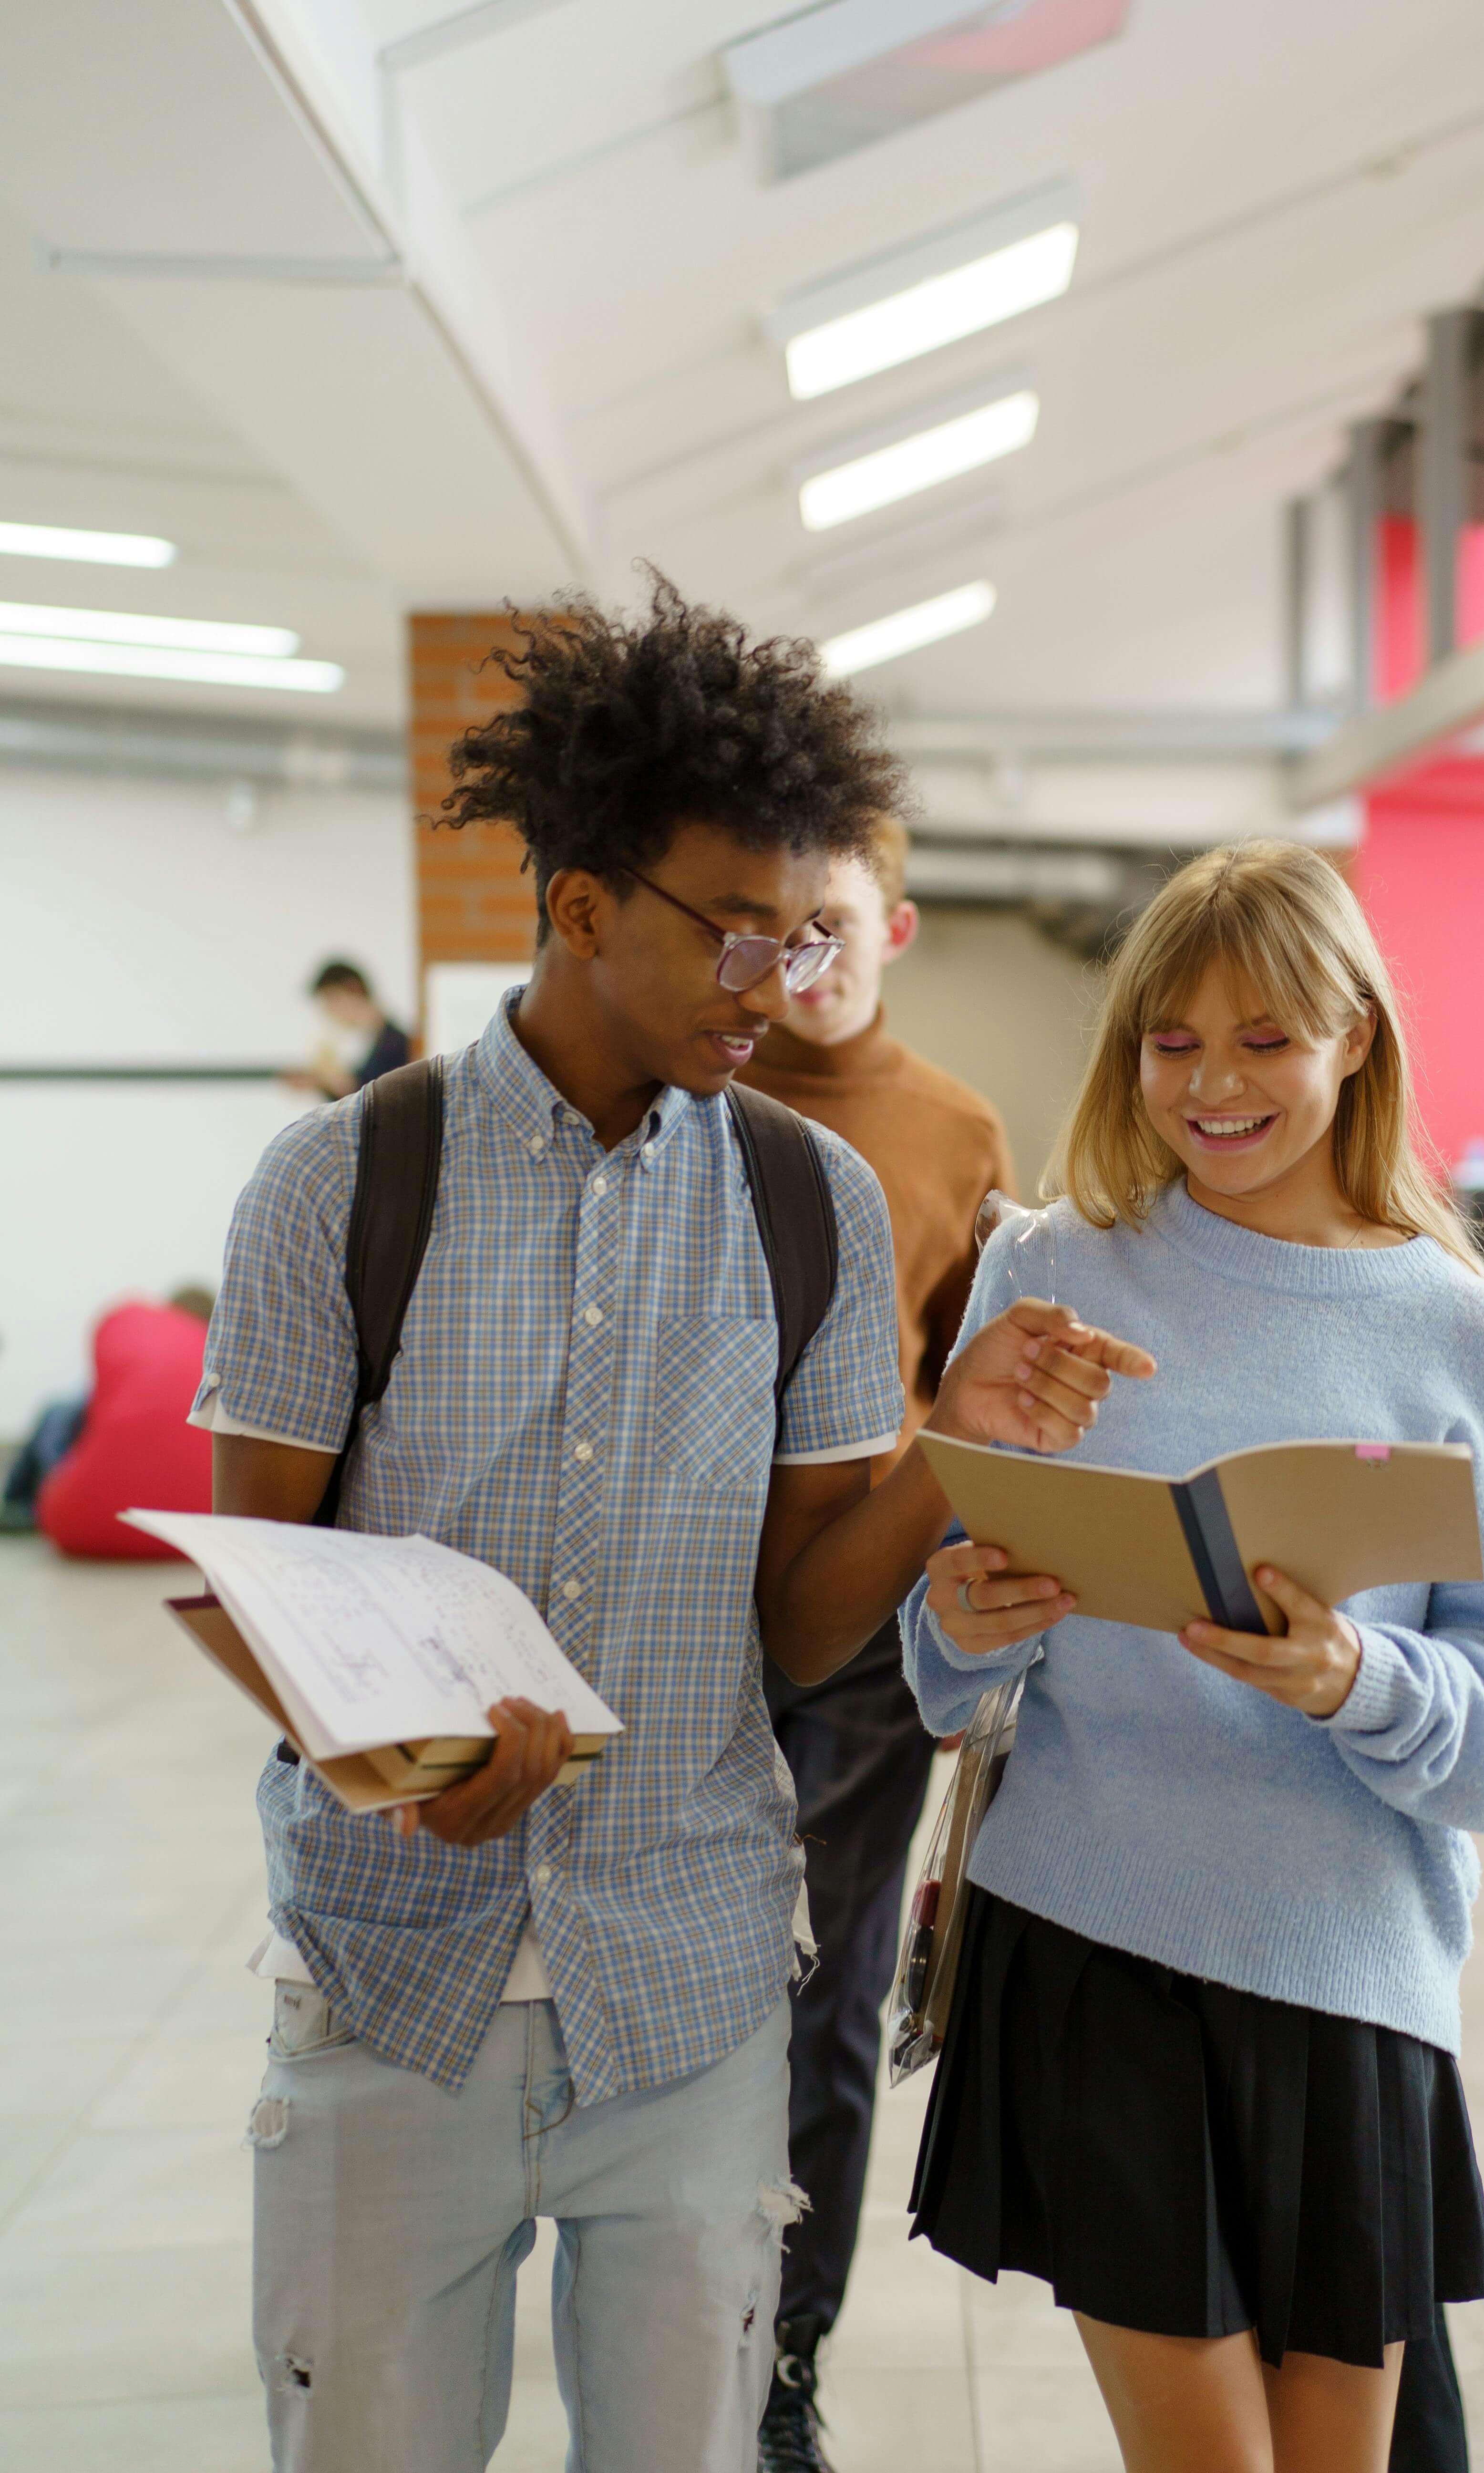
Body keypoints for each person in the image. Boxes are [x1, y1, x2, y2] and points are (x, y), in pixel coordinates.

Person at [192, 575, 1146, 2473]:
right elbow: (261, 1589)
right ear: (577, 909)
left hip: (696, 1998)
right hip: (395, 1986)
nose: (779, 987)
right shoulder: (343, 1183)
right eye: (735, 938)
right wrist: (396, 1760)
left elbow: (801, 1635)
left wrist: (954, 1445)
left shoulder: (815, 1209)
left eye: (809, 938)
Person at [901, 840, 1484, 2473]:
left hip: (1344, 1970)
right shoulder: (1046, 1270)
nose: (1212, 1083)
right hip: (1089, 1937)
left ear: (1353, 1037)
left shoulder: (1462, 1334)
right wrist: (956, 1611)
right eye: (1170, 1040)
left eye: (1265, 1036)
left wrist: (1354, 1679)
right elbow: (945, 1664)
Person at [738, 816, 1014, 2469]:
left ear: (894, 925)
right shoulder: (698, 1094)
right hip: (674, 1611)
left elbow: (977, 1396)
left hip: (860, 1633)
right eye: (778, 933)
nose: (807, 963)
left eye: (835, 927)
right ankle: (659, 2304)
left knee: (827, 1996)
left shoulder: (954, 1129)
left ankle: (784, 2368)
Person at [9, 1287, 215, 1554]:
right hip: (185, 1506)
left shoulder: (155, 1347)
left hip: (91, 1490)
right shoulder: (202, 1360)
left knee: (59, 1411)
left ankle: (19, 1501)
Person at [283, 959, 410, 1099]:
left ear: (353, 988)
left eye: (332, 999)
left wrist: (327, 1081)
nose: (329, 1011)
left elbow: (373, 1099)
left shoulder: (395, 1043)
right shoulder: (373, 1040)